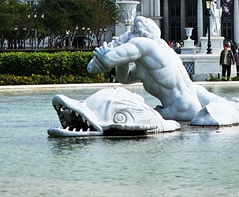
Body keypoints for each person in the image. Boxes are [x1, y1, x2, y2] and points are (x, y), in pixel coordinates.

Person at [88, 15, 220, 121]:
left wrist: (108, 50)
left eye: (133, 30)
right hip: (190, 101)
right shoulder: (160, 51)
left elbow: (107, 60)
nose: (129, 33)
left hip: (179, 109)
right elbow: (124, 78)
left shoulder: (143, 43)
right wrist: (124, 60)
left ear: (138, 31)